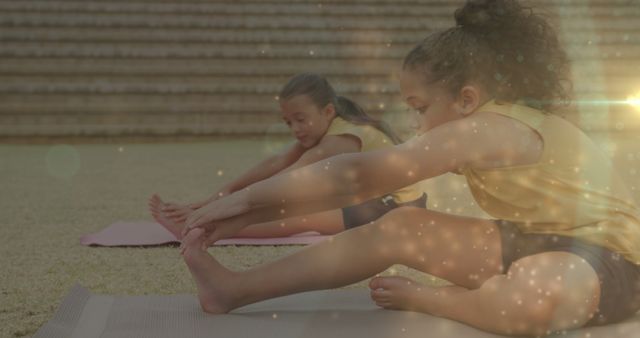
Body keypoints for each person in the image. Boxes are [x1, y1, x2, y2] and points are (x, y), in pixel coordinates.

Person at [178, 0, 640, 335]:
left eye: (419, 108)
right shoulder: (482, 126)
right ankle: (233, 290)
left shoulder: (493, 127)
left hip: (612, 258)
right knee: (401, 226)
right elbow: (352, 183)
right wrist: (249, 211)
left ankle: (444, 301)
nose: (416, 122)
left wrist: (244, 202)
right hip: (531, 242)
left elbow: (358, 174)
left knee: (534, 301)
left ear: (466, 100)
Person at [148, 73, 427, 239]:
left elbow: (288, 178)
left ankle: (202, 229)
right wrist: (208, 202)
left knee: (301, 214)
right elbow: (275, 164)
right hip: (372, 197)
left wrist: (213, 213)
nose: (295, 129)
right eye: (288, 122)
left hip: (398, 209)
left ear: (327, 112)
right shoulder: (325, 129)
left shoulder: (341, 139)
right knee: (295, 201)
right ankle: (202, 222)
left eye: (300, 119)